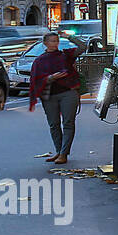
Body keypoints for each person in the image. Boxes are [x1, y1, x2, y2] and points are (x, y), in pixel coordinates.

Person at [29, 32, 82, 165]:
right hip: (49, 96)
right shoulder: (39, 60)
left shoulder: (65, 56)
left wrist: (68, 36)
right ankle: (59, 151)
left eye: (56, 41)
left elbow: (83, 47)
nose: (54, 43)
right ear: (45, 43)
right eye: (51, 41)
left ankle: (64, 153)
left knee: (68, 123)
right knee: (54, 124)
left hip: (68, 93)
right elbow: (35, 81)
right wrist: (51, 78)